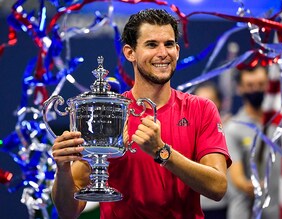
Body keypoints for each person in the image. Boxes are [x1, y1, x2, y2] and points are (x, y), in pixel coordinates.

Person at [50, 9, 231, 219]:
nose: (163, 53)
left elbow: (218, 187)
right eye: (152, 44)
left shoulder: (201, 109)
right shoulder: (108, 112)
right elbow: (68, 211)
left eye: (169, 44)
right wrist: (63, 170)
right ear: (130, 53)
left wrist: (162, 152)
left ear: (178, 50)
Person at [224, 65, 280, 219]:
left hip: (278, 212)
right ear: (240, 88)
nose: (256, 89)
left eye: (261, 84)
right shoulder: (233, 128)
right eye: (250, 85)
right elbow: (237, 176)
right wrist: (249, 185)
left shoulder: (280, 123)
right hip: (246, 213)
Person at [193, 81, 230, 219]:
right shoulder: (185, 131)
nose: (205, 106)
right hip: (196, 207)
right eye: (200, 101)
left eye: (210, 101)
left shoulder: (231, 130)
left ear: (220, 103)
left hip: (223, 206)